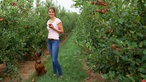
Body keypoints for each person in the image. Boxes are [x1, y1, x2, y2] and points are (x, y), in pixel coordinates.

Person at [46, 7, 64, 79]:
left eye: (52, 12)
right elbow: (49, 31)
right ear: (48, 13)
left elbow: (62, 31)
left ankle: (60, 73)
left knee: (54, 59)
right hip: (49, 41)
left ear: (54, 12)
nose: (51, 13)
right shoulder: (48, 21)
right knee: (52, 58)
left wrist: (54, 28)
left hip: (55, 41)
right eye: (49, 12)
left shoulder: (58, 20)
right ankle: (54, 72)